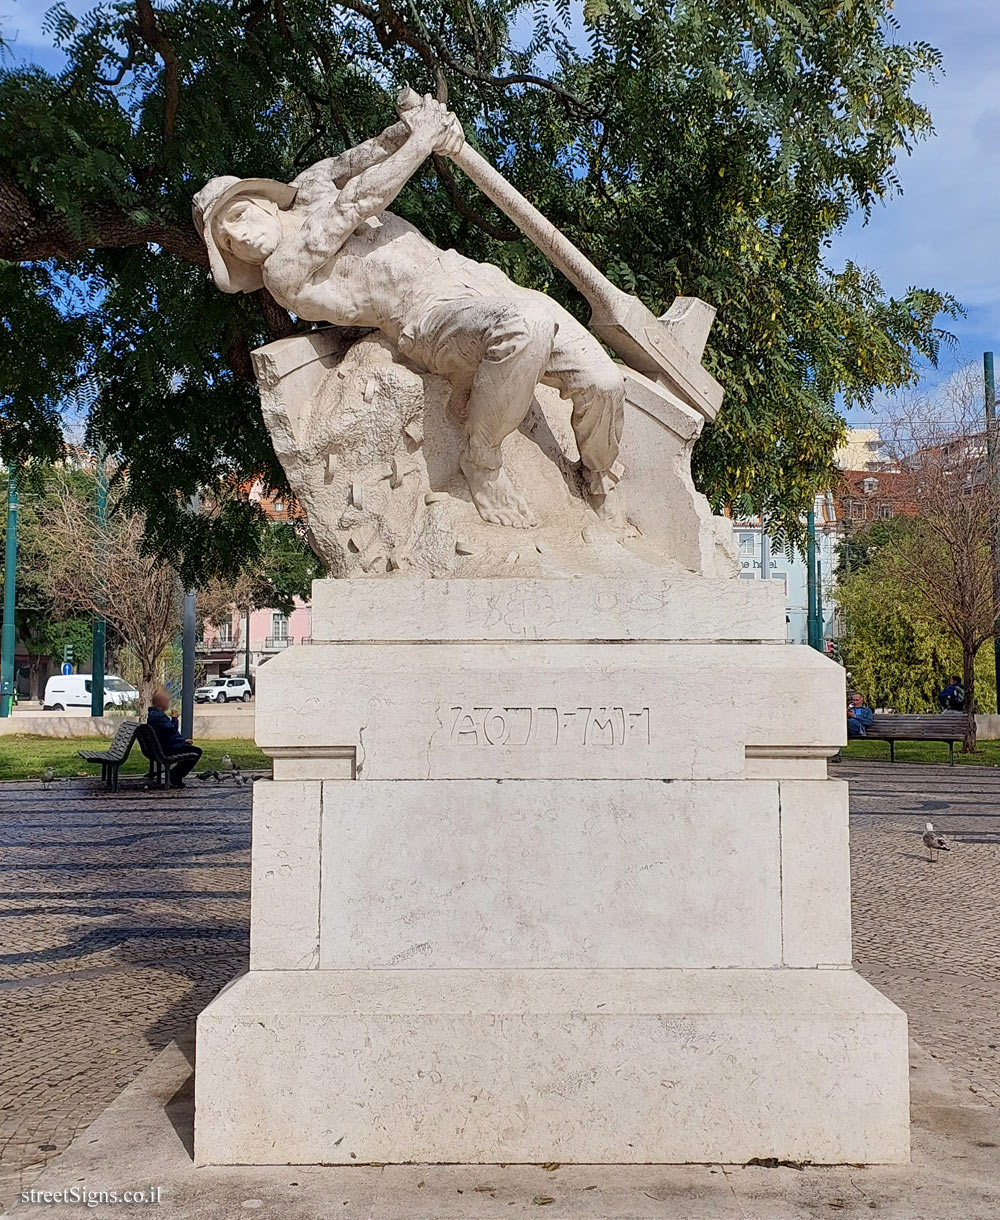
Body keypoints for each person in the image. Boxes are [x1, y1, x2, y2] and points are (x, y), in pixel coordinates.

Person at [192, 95, 624, 531]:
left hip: (474, 278)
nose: (241, 237)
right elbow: (355, 205)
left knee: (605, 384)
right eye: (228, 242)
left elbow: (372, 151)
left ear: (262, 200)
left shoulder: (311, 183)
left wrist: (420, 122)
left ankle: (597, 474)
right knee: (524, 325)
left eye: (239, 217)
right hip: (426, 317)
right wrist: (423, 141)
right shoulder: (282, 272)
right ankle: (482, 460)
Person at [147, 691, 202, 788]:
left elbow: (166, 735)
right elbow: (171, 730)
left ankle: (175, 775)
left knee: (190, 749)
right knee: (197, 751)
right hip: (166, 749)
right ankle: (175, 775)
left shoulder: (154, 715)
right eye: (167, 701)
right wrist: (175, 719)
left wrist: (183, 742)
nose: (169, 703)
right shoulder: (159, 717)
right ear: (160, 702)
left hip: (161, 747)